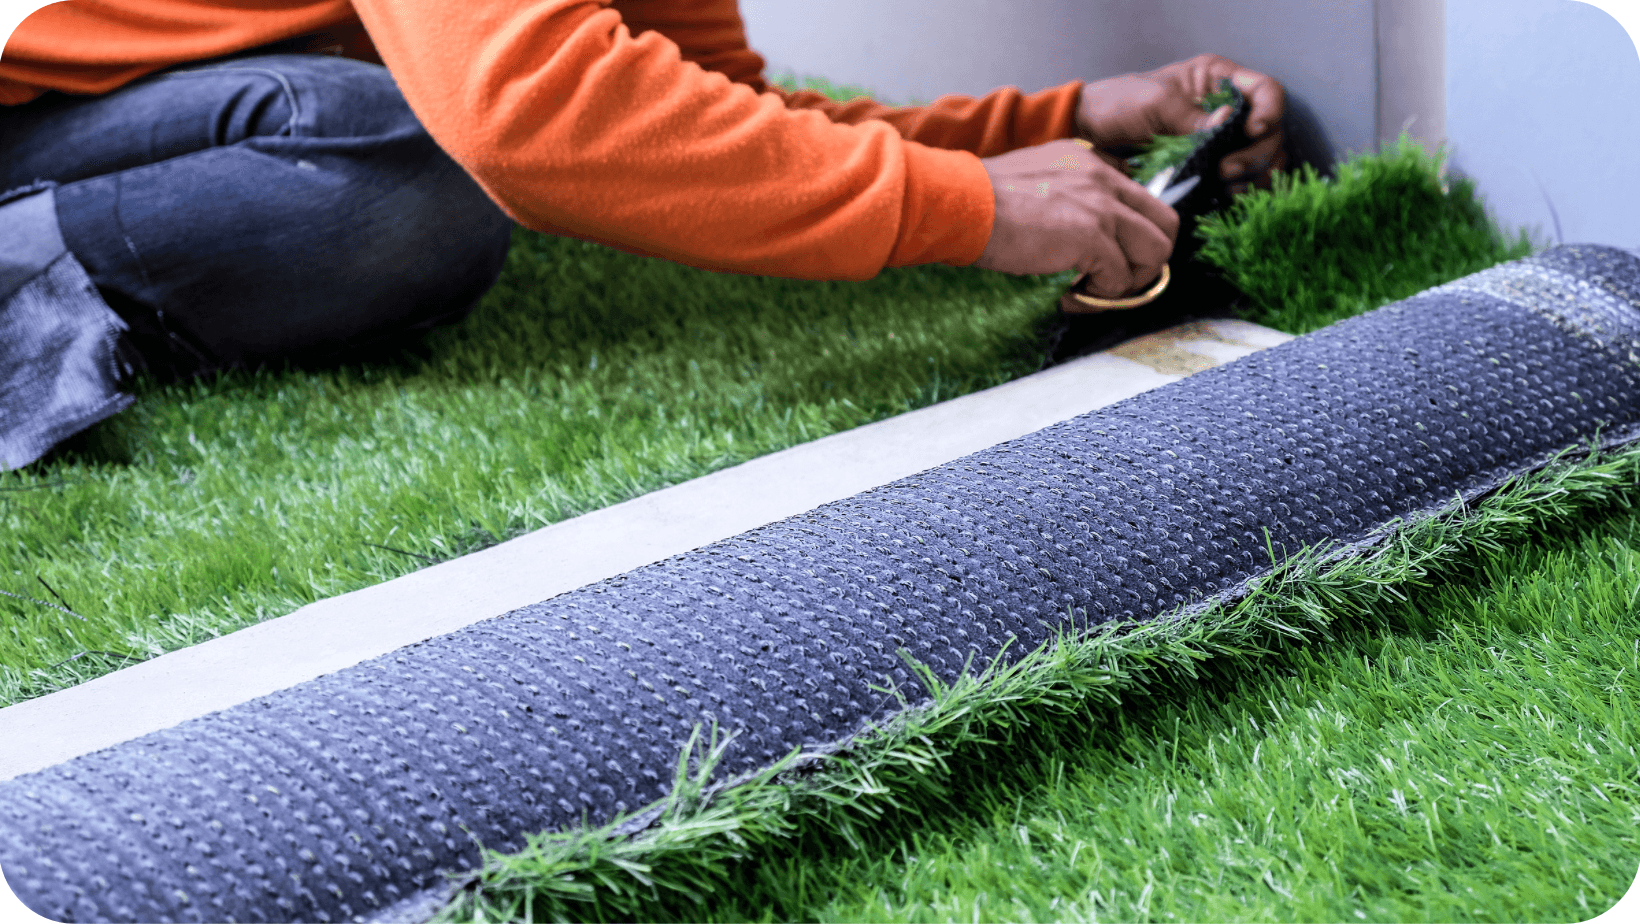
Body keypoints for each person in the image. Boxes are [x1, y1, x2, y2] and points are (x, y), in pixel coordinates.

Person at [0, 0, 1287, 470]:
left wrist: (1065, 119)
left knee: (396, 145)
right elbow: (530, 117)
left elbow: (706, 110)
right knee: (403, 169)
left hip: (150, 121)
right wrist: (973, 211)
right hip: (35, 118)